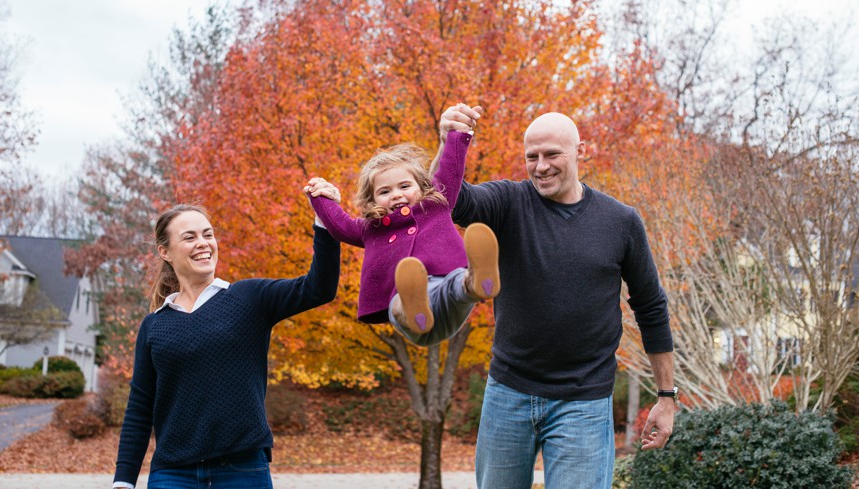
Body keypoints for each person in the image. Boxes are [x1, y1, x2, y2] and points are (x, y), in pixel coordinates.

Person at [438, 104, 676, 489]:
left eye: (552, 154)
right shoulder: (508, 202)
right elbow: (447, 201)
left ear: (581, 151)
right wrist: (449, 143)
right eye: (531, 157)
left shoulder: (621, 222)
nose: (541, 166)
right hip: (508, 394)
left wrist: (666, 397)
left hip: (583, 403)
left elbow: (651, 308)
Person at [113, 201, 340, 489]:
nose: (203, 243)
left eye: (207, 234)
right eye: (189, 237)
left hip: (242, 470)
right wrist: (123, 481)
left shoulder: (249, 298)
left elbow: (319, 288)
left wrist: (325, 219)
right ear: (165, 252)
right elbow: (140, 407)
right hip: (172, 475)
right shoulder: (154, 325)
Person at [305, 127, 499, 347]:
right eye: (385, 191)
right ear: (372, 200)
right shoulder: (371, 229)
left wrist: (457, 132)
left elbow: (450, 169)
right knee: (398, 304)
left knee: (457, 283)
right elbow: (340, 225)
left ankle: (477, 282)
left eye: (404, 186)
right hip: (409, 310)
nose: (396, 194)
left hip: (447, 289)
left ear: (422, 187)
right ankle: (413, 309)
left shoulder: (436, 204)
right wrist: (320, 197)